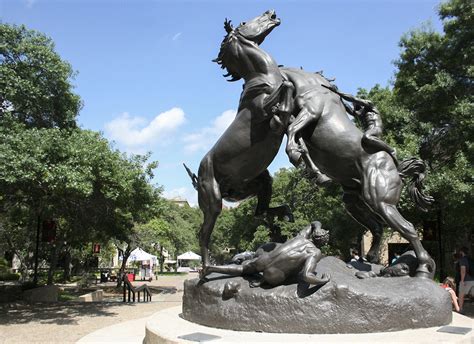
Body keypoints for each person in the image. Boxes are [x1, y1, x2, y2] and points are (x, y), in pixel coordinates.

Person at [200, 221, 330, 287]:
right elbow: (307, 275)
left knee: (242, 269)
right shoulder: (315, 252)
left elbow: (314, 222)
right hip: (273, 276)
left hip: (264, 259)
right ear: (323, 243)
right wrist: (322, 280)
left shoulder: (301, 237)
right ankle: (263, 280)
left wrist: (317, 228)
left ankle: (211, 267)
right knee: (296, 271)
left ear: (314, 234)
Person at [458, 247, 474, 312]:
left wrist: (462, 281)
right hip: (473, 279)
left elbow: (463, 271)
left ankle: (460, 309)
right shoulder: (471, 259)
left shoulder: (463, 260)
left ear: (462, 252)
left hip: (467, 280)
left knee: (461, 294)